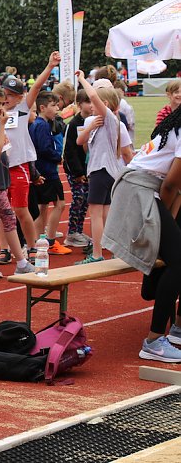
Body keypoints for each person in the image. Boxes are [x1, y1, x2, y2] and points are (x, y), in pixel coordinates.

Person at [102, 107, 181, 363]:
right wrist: (161, 221)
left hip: (142, 186)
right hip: (139, 189)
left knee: (176, 254)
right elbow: (171, 184)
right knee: (179, 261)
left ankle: (175, 329)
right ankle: (154, 341)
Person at [2, 52, 61, 264]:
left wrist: (50, 65)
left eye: (11, 95)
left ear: (20, 97)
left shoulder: (22, 109)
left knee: (20, 210)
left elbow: (36, 87)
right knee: (2, 212)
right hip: (0, 168)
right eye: (4, 93)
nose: (6, 97)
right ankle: (5, 249)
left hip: (18, 165)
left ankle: (31, 246)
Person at [75, 72, 134, 264]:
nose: (91, 105)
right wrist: (91, 127)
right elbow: (79, 141)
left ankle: (97, 253)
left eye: (95, 103)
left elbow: (93, 95)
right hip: (107, 171)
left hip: (101, 171)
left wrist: (82, 79)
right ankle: (114, 251)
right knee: (107, 212)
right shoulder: (96, 121)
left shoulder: (110, 118)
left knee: (95, 214)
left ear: (105, 104)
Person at [0, 86, 36, 276]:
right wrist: (2, 126)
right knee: (8, 216)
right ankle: (21, 262)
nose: (0, 107)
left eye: (2, 103)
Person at [29, 92, 72, 255]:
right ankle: (50, 241)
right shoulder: (42, 125)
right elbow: (44, 148)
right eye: (53, 106)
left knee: (43, 206)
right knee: (60, 204)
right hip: (47, 171)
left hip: (41, 169)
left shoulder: (39, 124)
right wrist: (57, 157)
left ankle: (39, 241)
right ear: (42, 107)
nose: (57, 109)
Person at [62, 90, 93, 249]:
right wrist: (77, 172)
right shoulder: (73, 124)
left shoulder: (94, 120)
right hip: (75, 170)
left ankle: (78, 231)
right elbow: (69, 151)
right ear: (80, 105)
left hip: (89, 169)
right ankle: (71, 232)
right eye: (88, 102)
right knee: (78, 197)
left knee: (86, 199)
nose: (91, 105)